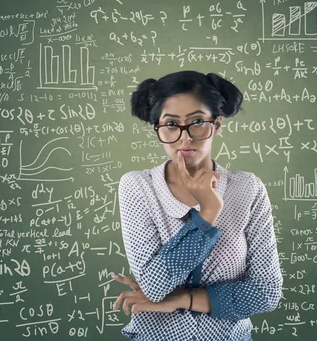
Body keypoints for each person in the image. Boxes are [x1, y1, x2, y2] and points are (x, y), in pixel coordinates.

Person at [113, 70, 283, 341]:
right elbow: (153, 286)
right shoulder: (138, 187)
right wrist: (207, 214)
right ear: (157, 127)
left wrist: (182, 299)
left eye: (197, 122)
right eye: (170, 124)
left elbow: (266, 293)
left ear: (216, 124)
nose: (185, 137)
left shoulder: (247, 189)